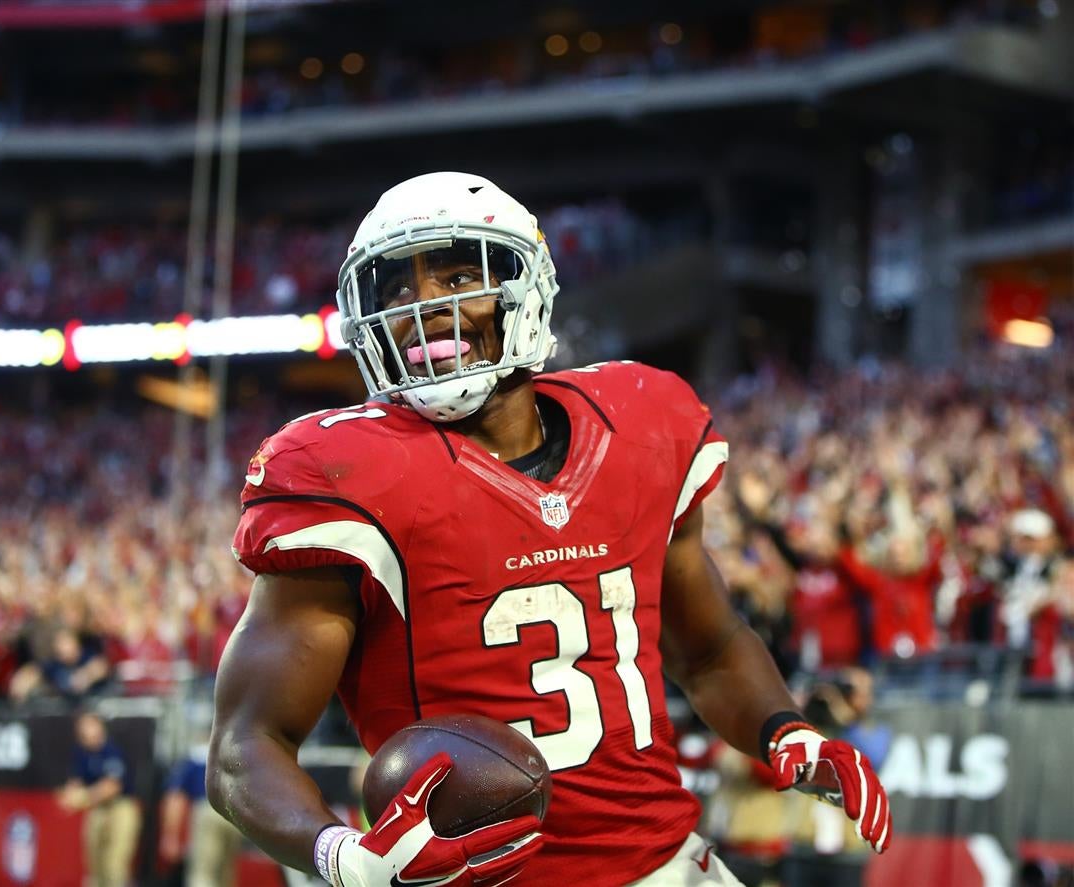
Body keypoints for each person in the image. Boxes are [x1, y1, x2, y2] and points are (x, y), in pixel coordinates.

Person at [208, 172, 892, 887]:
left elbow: (711, 646)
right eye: (398, 290)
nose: (424, 308)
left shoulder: (640, 423)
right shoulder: (342, 471)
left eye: (454, 275)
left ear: (523, 288)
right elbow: (243, 743)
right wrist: (341, 856)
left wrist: (785, 728)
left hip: (663, 866)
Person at [57, 711, 141, 887]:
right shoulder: (81, 752)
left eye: (89, 726)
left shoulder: (112, 750)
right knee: (94, 867)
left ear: (99, 727)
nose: (85, 732)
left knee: (115, 867)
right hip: (98, 809)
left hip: (120, 807)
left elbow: (113, 787)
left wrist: (84, 797)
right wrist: (69, 795)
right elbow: (75, 782)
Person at [160, 729, 242, 887]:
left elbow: (175, 798)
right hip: (235, 814)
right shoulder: (234, 756)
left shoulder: (194, 758)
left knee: (202, 872)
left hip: (208, 809)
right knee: (226, 872)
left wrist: (170, 835)